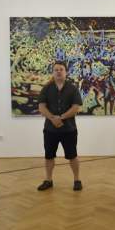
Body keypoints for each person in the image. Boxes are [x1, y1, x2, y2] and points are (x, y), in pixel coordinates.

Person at [36, 61, 84, 191]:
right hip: (50, 130)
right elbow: (41, 107)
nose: (58, 72)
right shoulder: (46, 88)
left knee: (72, 156)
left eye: (61, 69)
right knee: (49, 156)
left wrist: (61, 118)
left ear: (66, 72)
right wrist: (52, 118)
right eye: (56, 70)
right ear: (53, 72)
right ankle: (48, 180)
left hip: (69, 129)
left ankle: (77, 180)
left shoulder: (73, 88)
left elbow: (76, 107)